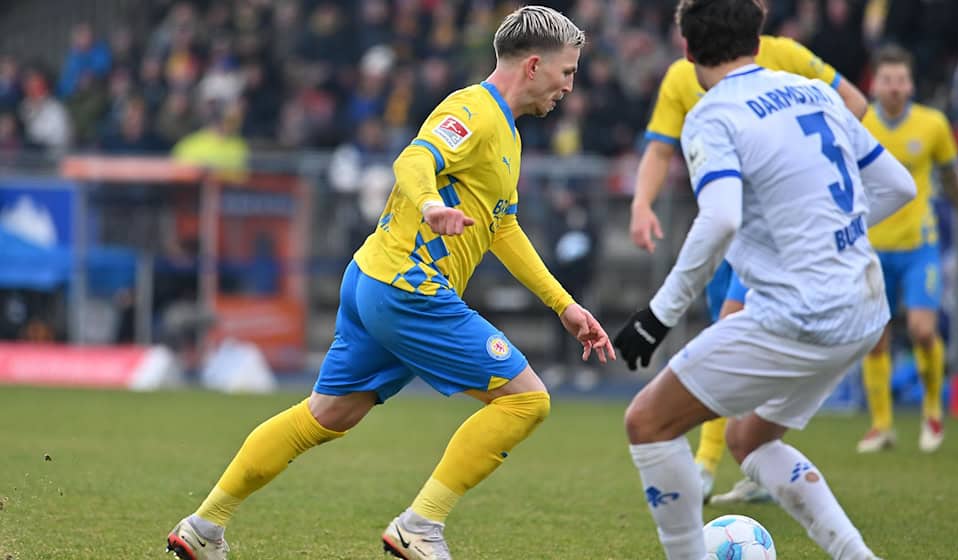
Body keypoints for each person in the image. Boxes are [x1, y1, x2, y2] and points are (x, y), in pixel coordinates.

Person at [164, 7, 616, 560]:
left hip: (374, 280)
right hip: (409, 289)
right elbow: (414, 159)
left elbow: (504, 227)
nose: (570, 86)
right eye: (567, 72)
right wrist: (429, 203)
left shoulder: (510, 134)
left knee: (325, 415)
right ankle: (419, 527)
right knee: (526, 402)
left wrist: (564, 305)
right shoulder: (473, 109)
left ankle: (203, 527)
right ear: (535, 65)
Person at [612, 0, 916, 558]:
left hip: (801, 314)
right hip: (865, 307)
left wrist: (658, 316)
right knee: (747, 438)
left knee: (648, 422)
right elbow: (898, 186)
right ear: (757, 37)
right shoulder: (815, 90)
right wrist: (826, 235)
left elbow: (722, 217)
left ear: (686, 49)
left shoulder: (712, 114)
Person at [856, 45, 958, 454]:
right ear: (874, 83)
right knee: (874, 338)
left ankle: (932, 412)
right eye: (887, 80)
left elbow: (953, 182)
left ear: (911, 83)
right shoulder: (860, 123)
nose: (895, 88)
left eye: (901, 80)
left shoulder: (932, 124)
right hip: (872, 248)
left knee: (921, 330)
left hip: (920, 244)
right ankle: (882, 425)